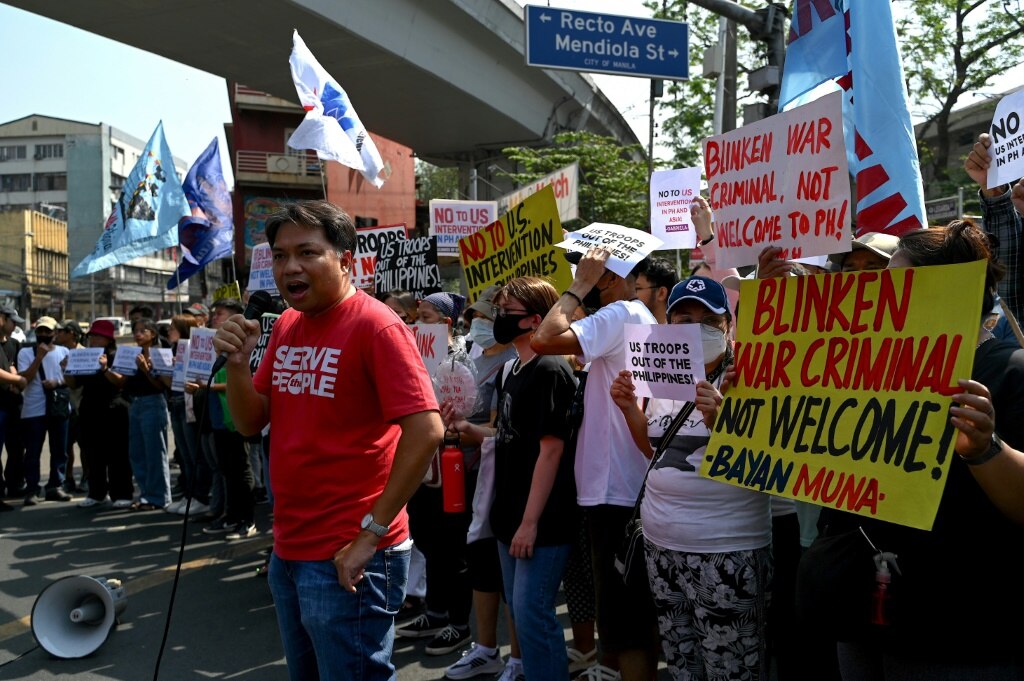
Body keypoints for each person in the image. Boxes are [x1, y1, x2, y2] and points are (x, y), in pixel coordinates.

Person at [213, 199, 443, 680]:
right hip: (290, 549)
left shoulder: (376, 325)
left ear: (345, 259)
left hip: (350, 554)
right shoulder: (290, 325)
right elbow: (251, 422)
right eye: (279, 255)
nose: (290, 266)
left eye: (307, 252)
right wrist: (237, 363)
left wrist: (369, 536)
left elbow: (427, 431)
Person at [799, 219, 1024, 679]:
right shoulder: (863, 365)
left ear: (952, 290)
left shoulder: (1008, 370)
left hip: (958, 627)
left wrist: (984, 449)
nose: (885, 299)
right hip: (864, 604)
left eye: (901, 286)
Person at [610, 276, 772, 680]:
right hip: (662, 546)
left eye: (709, 319)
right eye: (685, 317)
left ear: (728, 326)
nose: (697, 327)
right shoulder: (663, 373)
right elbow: (655, 453)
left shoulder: (753, 374)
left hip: (726, 549)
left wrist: (723, 423)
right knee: (684, 665)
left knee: (730, 668)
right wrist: (631, 409)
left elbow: (767, 466)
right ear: (669, 324)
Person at [532, 247, 661, 681]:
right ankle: (610, 670)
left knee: (625, 617)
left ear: (608, 277)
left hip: (613, 487)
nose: (580, 274)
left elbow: (544, 338)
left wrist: (576, 288)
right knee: (625, 612)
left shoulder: (620, 312)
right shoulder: (635, 314)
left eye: (589, 270)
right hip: (625, 481)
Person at [446, 277, 579, 681]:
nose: (498, 318)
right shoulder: (510, 369)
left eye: (507, 312)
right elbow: (509, 434)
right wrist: (471, 432)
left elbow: (551, 449)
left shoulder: (551, 369)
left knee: (533, 615)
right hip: (510, 515)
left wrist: (529, 523)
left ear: (536, 320)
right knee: (521, 612)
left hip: (541, 520)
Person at [438, 284, 519, 679]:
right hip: (474, 478)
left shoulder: (521, 362)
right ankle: (486, 649)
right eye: (479, 317)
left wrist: (469, 429)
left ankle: (519, 658)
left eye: (491, 316)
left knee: (513, 579)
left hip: (508, 479)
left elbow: (505, 431)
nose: (482, 324)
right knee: (482, 566)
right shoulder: (465, 357)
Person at [202, 298, 257, 539]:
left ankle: (247, 519)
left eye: (221, 313)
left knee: (241, 469)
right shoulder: (212, 344)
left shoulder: (246, 344)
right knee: (226, 470)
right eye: (214, 314)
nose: (215, 318)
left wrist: (209, 386)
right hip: (217, 418)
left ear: (236, 316)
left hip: (235, 419)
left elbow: (248, 380)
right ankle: (232, 515)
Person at [67, 319, 134, 508]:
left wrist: (105, 368)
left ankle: (122, 493)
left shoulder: (118, 355)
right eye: (91, 336)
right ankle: (96, 493)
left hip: (115, 409)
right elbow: (73, 384)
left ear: (108, 339)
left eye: (97, 336)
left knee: (118, 454)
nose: (93, 340)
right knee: (92, 453)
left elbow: (120, 382)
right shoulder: (84, 356)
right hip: (90, 409)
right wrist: (66, 370)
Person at [106, 319, 171, 510]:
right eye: (136, 330)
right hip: (135, 403)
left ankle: (159, 497)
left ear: (153, 334)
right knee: (137, 453)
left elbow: (161, 385)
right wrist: (105, 369)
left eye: (143, 330)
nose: (138, 334)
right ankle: (146, 494)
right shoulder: (131, 354)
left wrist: (146, 369)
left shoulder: (159, 353)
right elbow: (121, 381)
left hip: (153, 402)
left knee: (155, 452)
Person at [18, 316, 72, 504]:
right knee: (33, 451)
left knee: (60, 450)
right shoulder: (26, 353)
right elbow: (25, 378)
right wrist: (39, 357)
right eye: (40, 331)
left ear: (55, 333)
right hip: (34, 409)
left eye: (47, 331)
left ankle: (55, 485)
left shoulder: (64, 351)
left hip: (58, 407)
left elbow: (72, 380)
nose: (43, 335)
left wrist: (58, 381)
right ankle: (32, 488)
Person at [162, 314, 210, 517]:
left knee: (194, 454)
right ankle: (189, 495)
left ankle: (200, 497)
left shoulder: (192, 346)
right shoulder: (175, 348)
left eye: (173, 327)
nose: (169, 331)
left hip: (188, 402)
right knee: (184, 454)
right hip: (176, 400)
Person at [0, 305, 27, 511]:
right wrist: (18, 379)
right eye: (12, 321)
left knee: (17, 447)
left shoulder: (12, 344)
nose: (15, 325)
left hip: (12, 404)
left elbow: (10, 365)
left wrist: (16, 383)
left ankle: (15, 484)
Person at [56, 320, 85, 493]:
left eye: (62, 331)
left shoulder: (84, 353)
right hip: (64, 406)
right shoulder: (59, 353)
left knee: (85, 445)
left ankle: (86, 477)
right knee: (66, 446)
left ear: (72, 334)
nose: (58, 334)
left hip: (81, 403)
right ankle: (68, 478)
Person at [632, 256, 679, 324]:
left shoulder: (681, 332)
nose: (631, 294)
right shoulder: (628, 329)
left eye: (637, 288)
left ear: (661, 293)